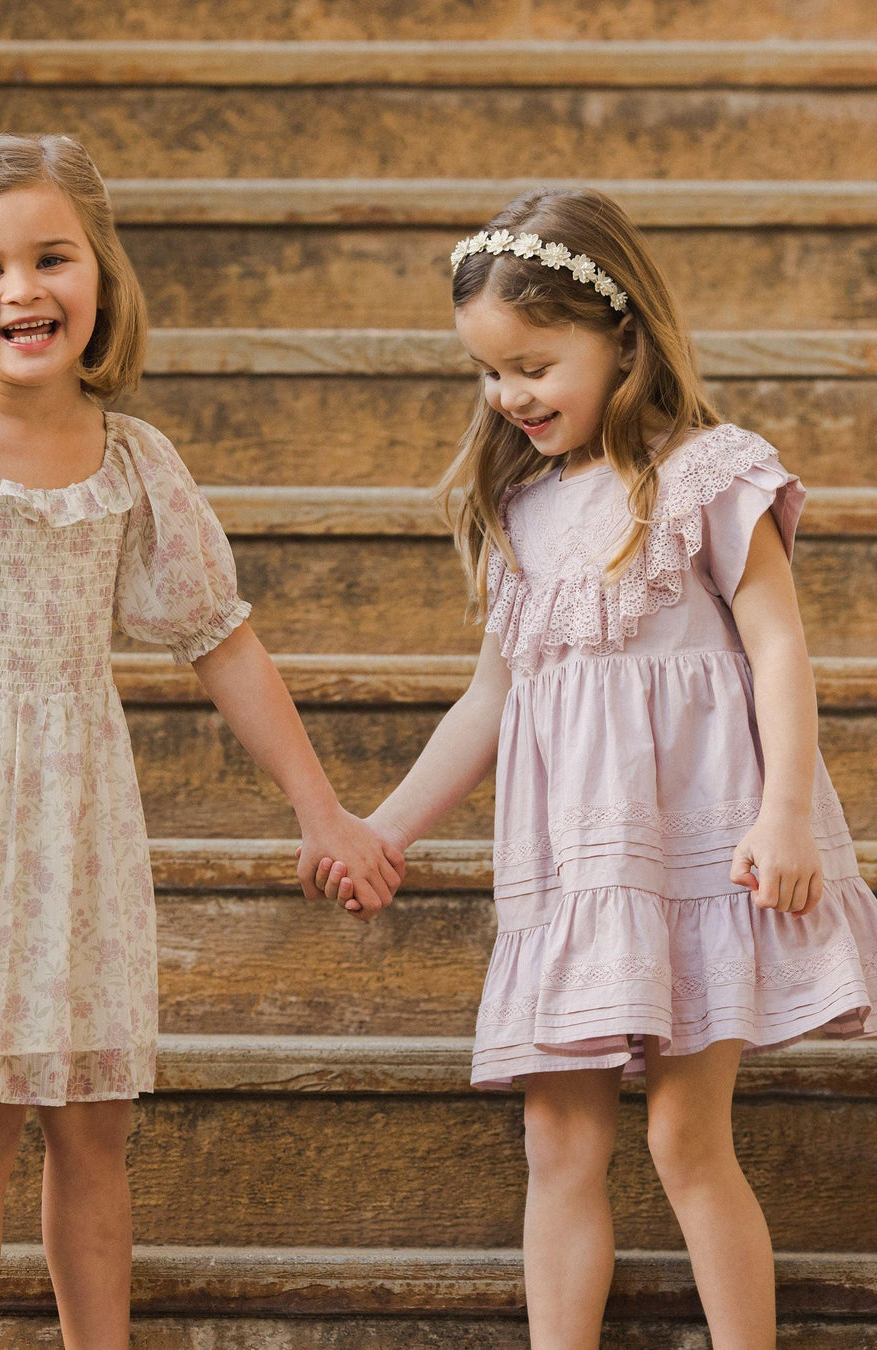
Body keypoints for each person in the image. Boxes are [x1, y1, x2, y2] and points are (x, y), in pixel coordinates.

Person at [0, 132, 403, 1350]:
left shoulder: (136, 461)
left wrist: (320, 807)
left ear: (100, 278)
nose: (21, 290)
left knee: (93, 1114)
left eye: (51, 258)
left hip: (75, 811)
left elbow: (219, 639)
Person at [316, 186, 877, 1349]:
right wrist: (386, 827)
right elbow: (492, 698)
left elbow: (779, 649)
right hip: (574, 875)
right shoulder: (519, 511)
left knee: (685, 1136)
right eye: (488, 373)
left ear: (622, 336)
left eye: (533, 362)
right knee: (559, 1141)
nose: (510, 395)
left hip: (697, 853)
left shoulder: (711, 475)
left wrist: (785, 816)